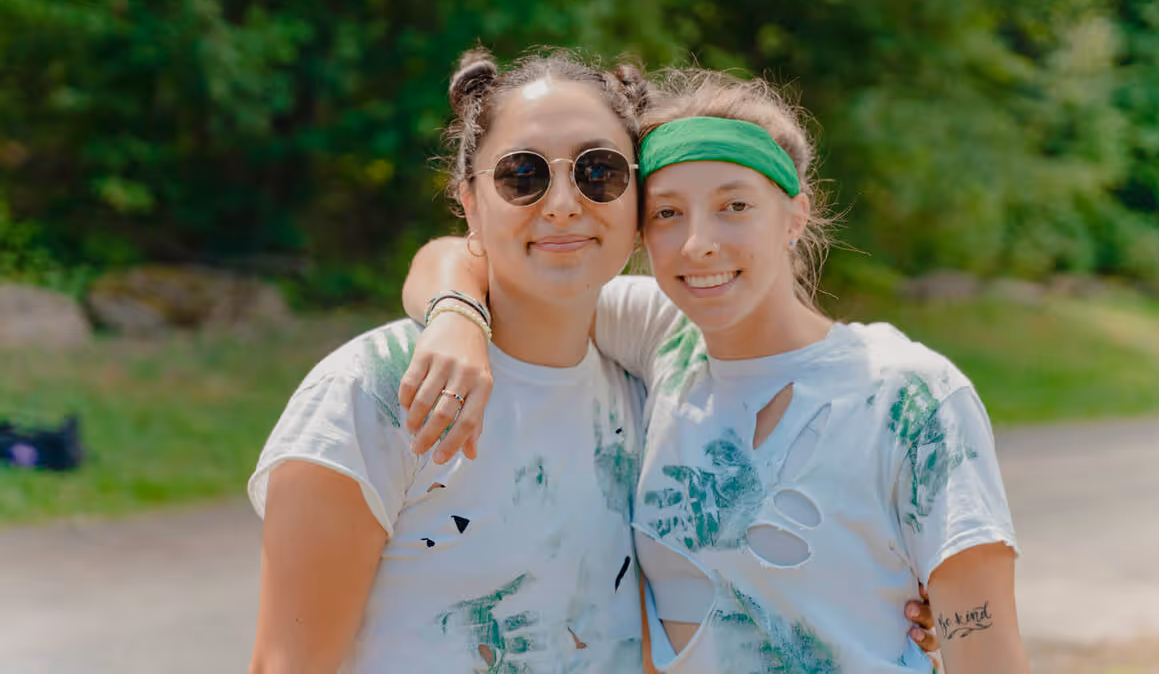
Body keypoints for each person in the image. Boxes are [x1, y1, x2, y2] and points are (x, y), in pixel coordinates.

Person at [400, 69, 1024, 672]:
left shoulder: (909, 395)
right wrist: (455, 316)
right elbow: (462, 254)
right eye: (668, 213)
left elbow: (986, 652)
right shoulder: (661, 338)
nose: (699, 242)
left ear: (794, 215)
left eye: (734, 205)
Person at [247, 49, 652, 673]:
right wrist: (456, 308)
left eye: (600, 173)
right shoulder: (373, 392)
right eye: (523, 175)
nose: (566, 202)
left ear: (639, 199)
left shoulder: (649, 389)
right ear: (469, 202)